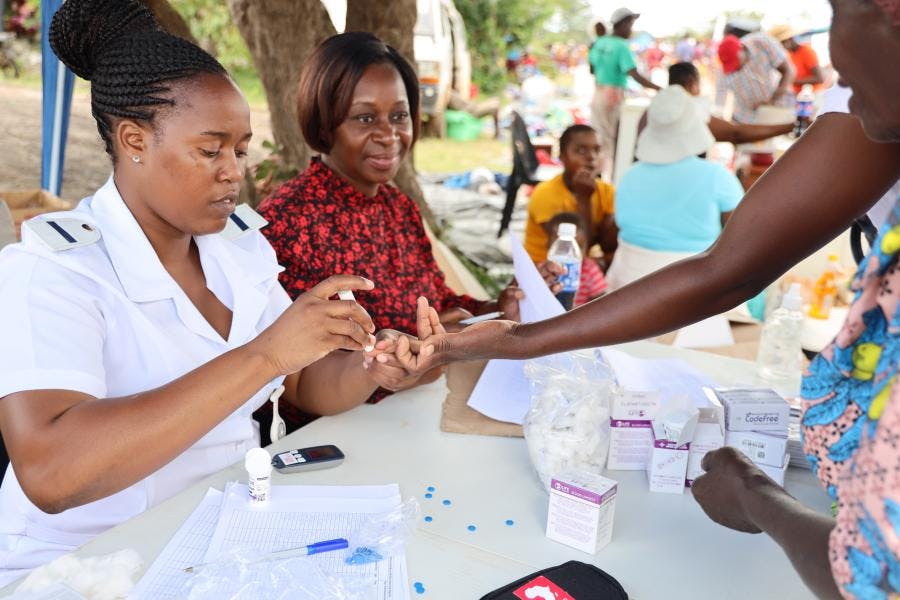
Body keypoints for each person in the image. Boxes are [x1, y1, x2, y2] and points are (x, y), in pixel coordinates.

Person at [389, 0, 900, 596]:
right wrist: (511, 339)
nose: (843, 93)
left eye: (838, 7)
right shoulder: (873, 111)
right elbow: (725, 271)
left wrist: (759, 500)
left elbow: (869, 575)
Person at [0, 0, 421, 586]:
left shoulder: (238, 249)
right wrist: (265, 353)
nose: (234, 172)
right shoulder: (53, 272)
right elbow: (50, 474)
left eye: (242, 149)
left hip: (217, 538)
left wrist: (370, 368)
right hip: (83, 565)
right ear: (133, 140)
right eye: (209, 150)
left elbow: (303, 383)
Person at [257, 32, 562, 429]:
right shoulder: (287, 221)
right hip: (326, 436)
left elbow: (437, 301)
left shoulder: (397, 206)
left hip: (407, 415)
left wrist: (499, 307)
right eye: (365, 118)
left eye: (399, 116)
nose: (389, 135)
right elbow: (288, 371)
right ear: (324, 122)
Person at [606, 85, 743, 290]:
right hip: (694, 292)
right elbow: (739, 240)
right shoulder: (717, 177)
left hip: (625, 286)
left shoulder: (628, 176)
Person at [523, 124, 617, 269]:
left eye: (597, 150)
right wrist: (584, 199)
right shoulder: (545, 194)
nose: (591, 157)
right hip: (544, 267)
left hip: (580, 263)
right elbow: (575, 248)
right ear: (562, 156)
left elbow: (608, 246)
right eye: (581, 150)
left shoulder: (606, 191)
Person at [588, 7, 660, 177]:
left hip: (598, 93)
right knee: (611, 141)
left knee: (599, 135)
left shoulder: (599, 42)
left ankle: (597, 175)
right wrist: (660, 89)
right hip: (613, 95)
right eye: (630, 24)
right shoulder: (621, 46)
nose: (631, 29)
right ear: (622, 24)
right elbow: (633, 73)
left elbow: (592, 69)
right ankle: (608, 178)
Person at [667, 61, 794, 144]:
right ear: (692, 83)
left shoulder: (657, 109)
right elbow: (735, 133)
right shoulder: (690, 110)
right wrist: (791, 126)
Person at [716, 32, 796, 123]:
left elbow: (789, 70)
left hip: (777, 109)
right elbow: (720, 95)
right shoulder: (724, 65)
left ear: (741, 48)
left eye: (736, 61)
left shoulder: (762, 42)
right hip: (744, 116)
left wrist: (772, 100)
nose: (735, 69)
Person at [545, 212, 608, 305]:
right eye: (563, 248)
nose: (570, 254)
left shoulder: (590, 270)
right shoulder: (545, 270)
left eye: (579, 246)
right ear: (549, 245)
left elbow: (601, 299)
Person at [769, 24, 826, 95]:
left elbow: (820, 78)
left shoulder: (806, 51)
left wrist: (790, 80)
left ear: (788, 40)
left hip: (813, 94)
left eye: (781, 43)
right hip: (798, 95)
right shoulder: (788, 54)